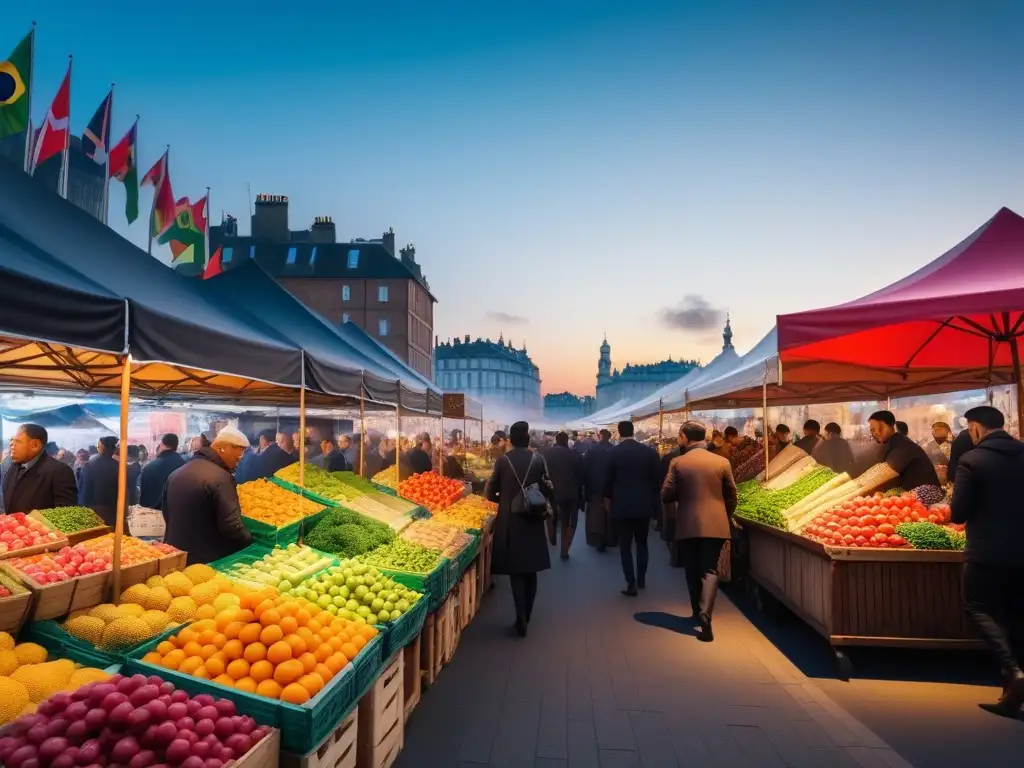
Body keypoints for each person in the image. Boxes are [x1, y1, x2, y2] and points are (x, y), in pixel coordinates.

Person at [950, 406, 1024, 717]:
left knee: (977, 606)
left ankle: (1013, 670)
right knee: (1016, 614)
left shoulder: (972, 460)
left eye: (969, 428)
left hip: (986, 551)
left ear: (977, 428)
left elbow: (959, 513)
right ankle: (1011, 693)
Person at [662, 420, 738, 642]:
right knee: (710, 570)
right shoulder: (722, 462)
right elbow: (732, 495)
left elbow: (665, 494)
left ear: (685, 436)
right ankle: (706, 617)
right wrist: (725, 514)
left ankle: (696, 611)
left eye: (679, 435)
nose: (678, 439)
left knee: (692, 568)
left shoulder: (677, 462)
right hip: (716, 524)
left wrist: (682, 495)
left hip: (688, 523)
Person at [485, 420, 553, 637]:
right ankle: (528, 613)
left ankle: (520, 617)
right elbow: (547, 488)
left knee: (516, 570)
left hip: (511, 519)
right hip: (533, 517)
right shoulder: (538, 459)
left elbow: (490, 490)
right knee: (531, 569)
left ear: (511, 440)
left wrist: (502, 498)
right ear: (528, 439)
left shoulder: (503, 461)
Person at [163, 426, 255, 564]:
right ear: (223, 447)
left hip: (176, 556)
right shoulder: (221, 478)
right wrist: (251, 544)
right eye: (239, 450)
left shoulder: (176, 474)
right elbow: (231, 525)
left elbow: (166, 513)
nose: (241, 457)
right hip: (208, 561)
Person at [603, 421, 662, 597]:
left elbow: (607, 482)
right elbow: (656, 481)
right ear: (633, 431)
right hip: (643, 505)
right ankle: (642, 577)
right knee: (642, 543)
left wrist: (607, 499)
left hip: (622, 506)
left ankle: (631, 583)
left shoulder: (613, 453)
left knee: (625, 546)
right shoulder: (650, 453)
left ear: (619, 433)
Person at [1, 423, 78, 514]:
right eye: (11, 441)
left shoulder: (59, 471)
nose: (11, 445)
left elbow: (66, 514)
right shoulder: (12, 467)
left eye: (17, 441)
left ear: (35, 445)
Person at [868, 411, 940, 492]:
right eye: (871, 431)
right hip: (910, 493)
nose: (873, 434)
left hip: (927, 494)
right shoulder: (892, 442)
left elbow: (884, 472)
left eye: (873, 430)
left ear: (884, 426)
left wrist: (856, 487)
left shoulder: (902, 445)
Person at [544, 432, 583, 560]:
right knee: (570, 522)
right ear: (567, 441)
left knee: (552, 516)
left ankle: (552, 536)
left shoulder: (548, 454)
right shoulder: (575, 455)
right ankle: (565, 548)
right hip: (571, 494)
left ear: (556, 440)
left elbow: (544, 474)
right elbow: (580, 477)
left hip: (553, 492)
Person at [582, 429, 615, 552]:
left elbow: (585, 470)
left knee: (596, 517)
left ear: (600, 436)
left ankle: (598, 540)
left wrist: (585, 488)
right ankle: (609, 538)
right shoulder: (614, 450)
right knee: (608, 515)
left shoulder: (592, 450)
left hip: (594, 488)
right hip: (610, 488)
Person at [78, 436, 121, 525]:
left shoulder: (89, 466)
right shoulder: (119, 467)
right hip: (114, 512)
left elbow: (84, 491)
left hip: (94, 512)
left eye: (99, 445)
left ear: (102, 447)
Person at [139, 433, 185, 509]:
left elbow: (143, 496)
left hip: (151, 514)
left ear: (161, 445)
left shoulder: (149, 467)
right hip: (176, 514)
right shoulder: (184, 466)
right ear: (176, 447)